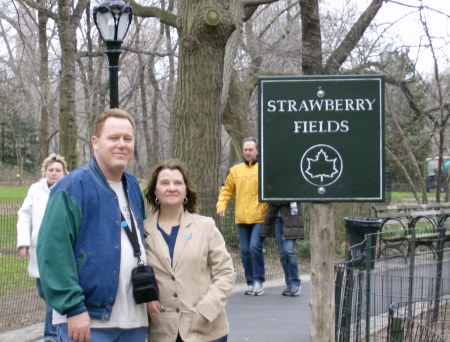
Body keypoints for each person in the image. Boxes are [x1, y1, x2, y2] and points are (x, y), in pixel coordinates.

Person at [37, 108, 148, 342]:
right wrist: (73, 307)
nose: (121, 144)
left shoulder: (133, 187)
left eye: (127, 139)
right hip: (88, 320)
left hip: (133, 319)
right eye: (113, 138)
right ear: (95, 142)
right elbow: (53, 252)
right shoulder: (72, 188)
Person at [144, 159, 235, 342]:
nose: (171, 188)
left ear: (186, 190)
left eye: (178, 183)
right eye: (164, 183)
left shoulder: (205, 227)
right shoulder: (142, 231)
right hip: (163, 331)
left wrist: (205, 310)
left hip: (206, 329)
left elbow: (225, 273)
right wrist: (145, 298)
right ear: (155, 191)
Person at [16, 153, 68, 342]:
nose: (54, 173)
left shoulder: (68, 188)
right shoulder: (35, 190)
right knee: (44, 292)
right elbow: (24, 215)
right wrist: (23, 242)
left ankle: (52, 335)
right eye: (51, 170)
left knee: (53, 294)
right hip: (39, 250)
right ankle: (58, 328)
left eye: (58, 170)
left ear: (64, 172)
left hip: (61, 252)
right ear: (45, 171)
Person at [216, 137, 268, 296]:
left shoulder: (264, 168)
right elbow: (226, 189)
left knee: (254, 247)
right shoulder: (235, 169)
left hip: (260, 216)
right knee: (245, 250)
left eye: (251, 149)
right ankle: (251, 282)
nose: (248, 152)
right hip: (242, 218)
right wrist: (221, 205)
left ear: (257, 151)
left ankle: (259, 280)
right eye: (245, 149)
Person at [261, 202, 304, 296]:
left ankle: (296, 282)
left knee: (289, 250)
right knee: (283, 254)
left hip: (292, 217)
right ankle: (289, 283)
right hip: (277, 218)